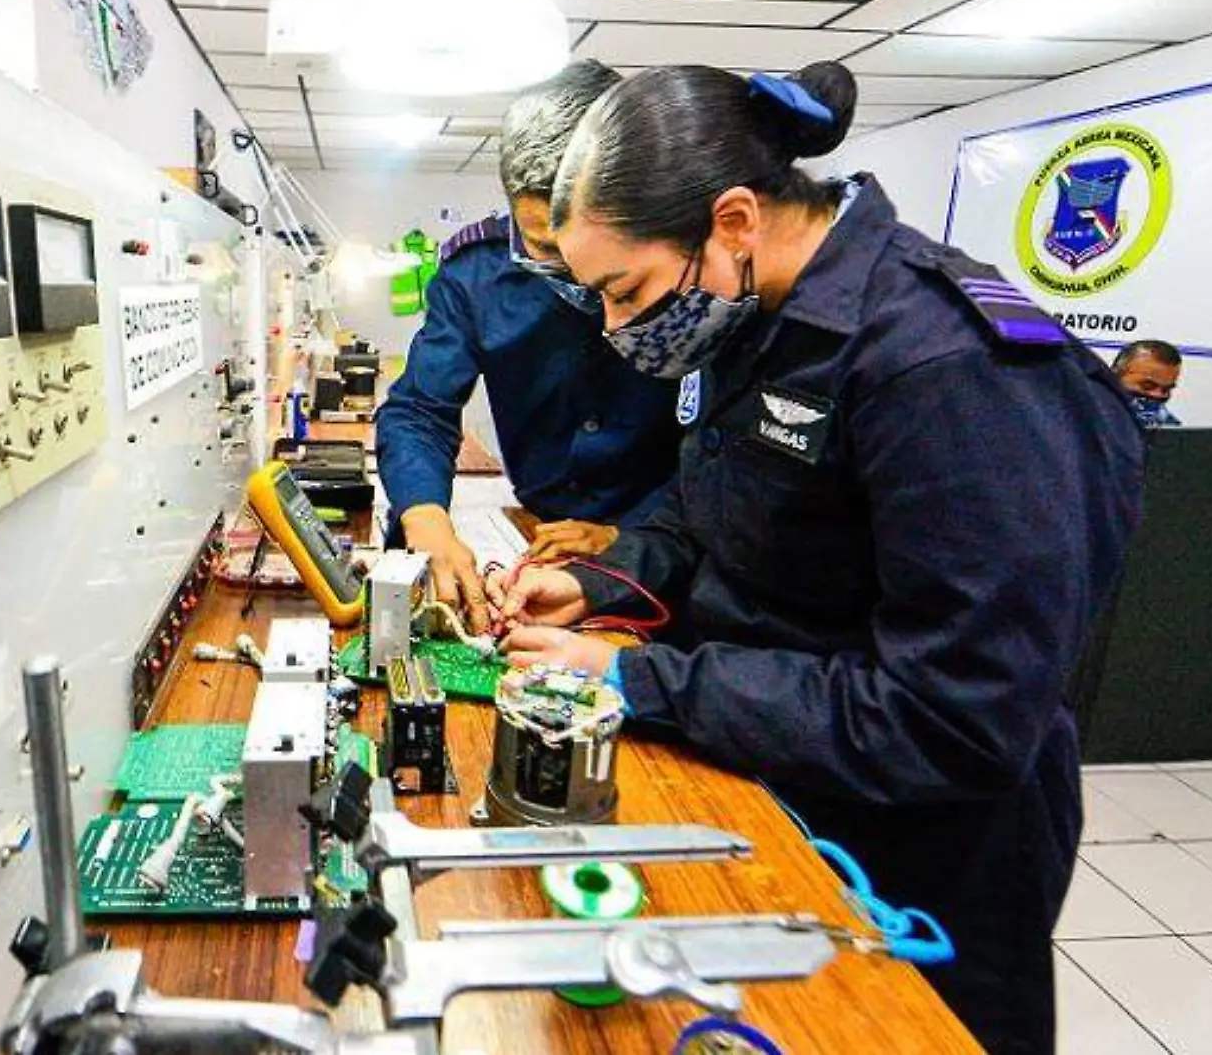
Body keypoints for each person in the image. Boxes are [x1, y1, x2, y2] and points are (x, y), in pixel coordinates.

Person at [487, 62, 1144, 1054]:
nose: (619, 330)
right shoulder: (751, 319)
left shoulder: (947, 369)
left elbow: (954, 719)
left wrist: (639, 679)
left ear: (736, 219)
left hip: (925, 849)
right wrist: (599, 575)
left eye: (625, 290)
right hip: (777, 776)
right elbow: (717, 516)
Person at [377, 59, 682, 633]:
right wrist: (425, 517)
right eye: (546, 245)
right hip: (540, 540)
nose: (578, 271)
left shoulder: (688, 271)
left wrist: (632, 535)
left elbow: (721, 447)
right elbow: (419, 409)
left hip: (668, 546)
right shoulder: (476, 273)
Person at [1112, 339, 1183, 427]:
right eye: (1147, 386)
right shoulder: (1092, 418)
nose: (1157, 394)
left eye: (1166, 389)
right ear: (1114, 377)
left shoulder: (1169, 427)